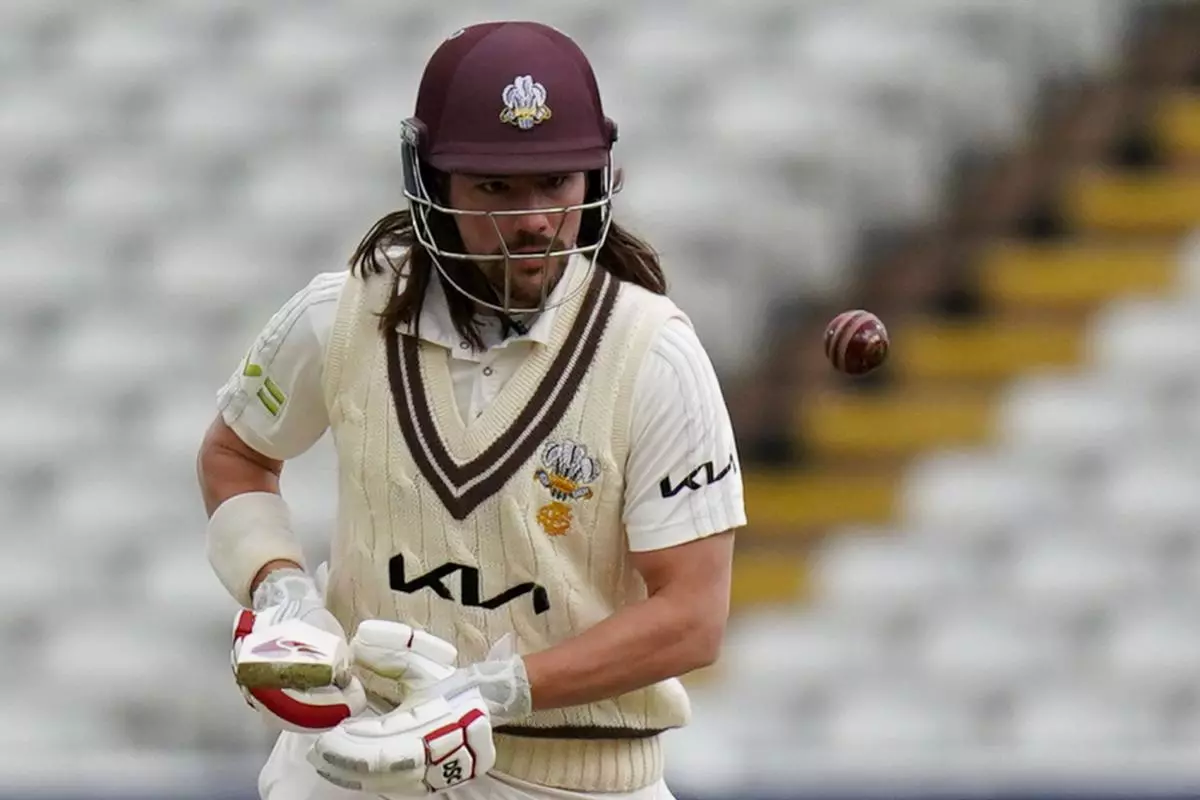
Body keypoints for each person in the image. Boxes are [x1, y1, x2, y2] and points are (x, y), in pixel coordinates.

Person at [197, 19, 745, 800]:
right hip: (356, 766)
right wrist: (282, 591)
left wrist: (488, 693)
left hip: (574, 785)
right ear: (431, 182)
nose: (531, 219)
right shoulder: (341, 314)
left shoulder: (651, 356)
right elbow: (237, 453)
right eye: (495, 186)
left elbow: (693, 615)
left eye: (555, 182)